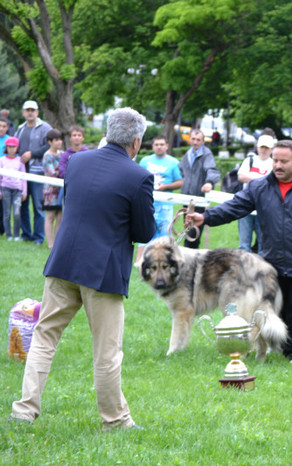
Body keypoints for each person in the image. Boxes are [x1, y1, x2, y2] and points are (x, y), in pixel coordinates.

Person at [10, 108, 155, 430]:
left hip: (63, 260)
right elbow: (144, 233)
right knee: (107, 351)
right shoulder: (139, 176)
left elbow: (76, 203)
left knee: (45, 337)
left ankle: (24, 409)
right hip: (102, 272)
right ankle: (115, 420)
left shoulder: (76, 161)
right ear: (136, 141)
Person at [185, 140, 292, 368]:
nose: (278, 165)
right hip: (270, 263)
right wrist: (206, 217)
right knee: (268, 308)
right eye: (275, 160)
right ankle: (267, 346)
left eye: (284, 161)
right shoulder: (260, 187)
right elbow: (235, 206)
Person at [135, 135, 183, 265]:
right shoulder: (145, 161)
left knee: (164, 233)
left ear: (167, 146)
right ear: (152, 146)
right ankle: (140, 260)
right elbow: (138, 178)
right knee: (144, 231)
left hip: (165, 205)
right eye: (156, 144)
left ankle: (163, 260)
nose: (159, 147)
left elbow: (180, 182)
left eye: (162, 144)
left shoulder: (173, 163)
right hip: (147, 203)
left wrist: (166, 187)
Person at [16, 100, 52, 245]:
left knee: (38, 206)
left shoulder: (45, 127)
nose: (30, 113)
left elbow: (50, 145)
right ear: (23, 112)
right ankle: (26, 234)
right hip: (22, 173)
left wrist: (32, 154)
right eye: (27, 110)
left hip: (38, 173)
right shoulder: (20, 128)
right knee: (23, 204)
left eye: (33, 110)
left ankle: (38, 237)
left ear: (37, 112)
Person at [178, 128, 220, 249]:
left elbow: (212, 169)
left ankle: (191, 258)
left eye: (198, 140)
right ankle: (188, 257)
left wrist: (209, 182)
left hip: (198, 200)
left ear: (203, 141)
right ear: (189, 140)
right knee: (187, 230)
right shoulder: (187, 154)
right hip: (186, 199)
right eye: (193, 139)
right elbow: (180, 171)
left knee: (193, 234)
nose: (195, 142)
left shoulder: (206, 154)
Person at [237, 134, 275, 252]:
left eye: (267, 148)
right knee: (244, 244)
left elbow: (273, 183)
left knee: (262, 245)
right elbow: (241, 176)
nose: (264, 150)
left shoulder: (273, 164)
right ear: (257, 147)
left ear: (271, 150)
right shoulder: (249, 160)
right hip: (246, 205)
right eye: (262, 147)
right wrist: (261, 180)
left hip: (264, 207)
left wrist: (252, 179)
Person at [0, 137, 27, 241]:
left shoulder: (20, 161)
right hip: (5, 188)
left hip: (17, 190)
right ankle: (8, 235)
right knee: (6, 213)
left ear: (17, 148)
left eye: (13, 147)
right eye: (9, 147)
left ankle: (16, 235)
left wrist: (24, 191)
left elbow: (24, 177)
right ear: (6, 147)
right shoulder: (2, 160)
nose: (11, 149)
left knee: (16, 213)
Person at [42, 129, 64, 249]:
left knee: (60, 217)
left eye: (60, 139)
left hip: (61, 189)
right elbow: (52, 173)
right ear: (50, 141)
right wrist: (62, 170)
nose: (59, 142)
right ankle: (50, 243)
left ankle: (57, 243)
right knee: (50, 217)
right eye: (56, 140)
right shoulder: (47, 155)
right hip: (50, 190)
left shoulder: (62, 154)